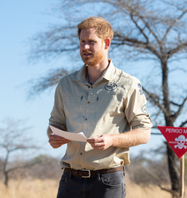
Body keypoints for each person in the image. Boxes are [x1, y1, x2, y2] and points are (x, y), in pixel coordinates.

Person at [47, 16, 152, 198]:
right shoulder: (65, 84)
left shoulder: (128, 84)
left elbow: (144, 133)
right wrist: (53, 136)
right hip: (69, 180)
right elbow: (54, 124)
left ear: (106, 43)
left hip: (108, 181)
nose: (85, 47)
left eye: (91, 42)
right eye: (82, 42)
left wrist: (112, 140)